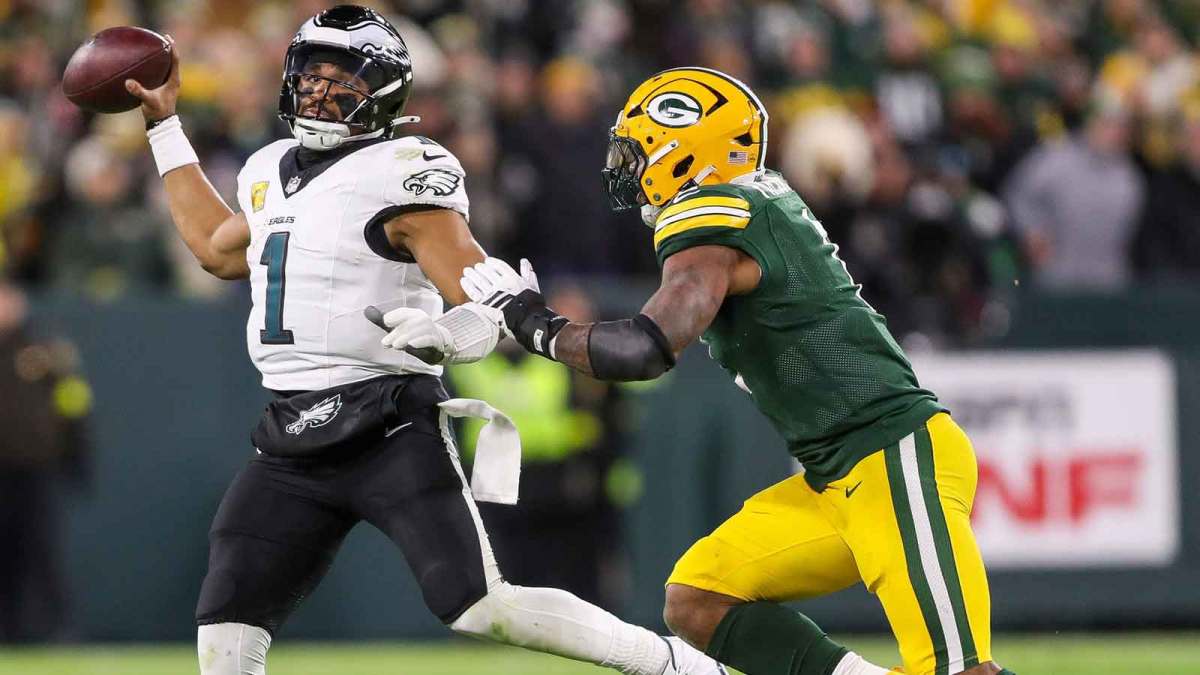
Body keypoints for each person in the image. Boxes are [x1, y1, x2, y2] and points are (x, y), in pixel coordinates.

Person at [123, 6, 725, 675]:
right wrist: (165, 125)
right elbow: (215, 247)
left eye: (340, 78)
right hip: (290, 434)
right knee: (226, 630)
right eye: (311, 74)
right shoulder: (267, 168)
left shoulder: (403, 168)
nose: (320, 90)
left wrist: (447, 332)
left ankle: (670, 663)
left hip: (386, 420)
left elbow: (481, 294)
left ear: (382, 91)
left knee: (477, 603)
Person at [388, 68, 1015, 675]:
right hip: (835, 475)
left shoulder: (715, 209)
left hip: (891, 455)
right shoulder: (752, 199)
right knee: (700, 600)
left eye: (637, 153)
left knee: (961, 672)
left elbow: (646, 348)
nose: (626, 172)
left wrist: (533, 323)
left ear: (685, 150)